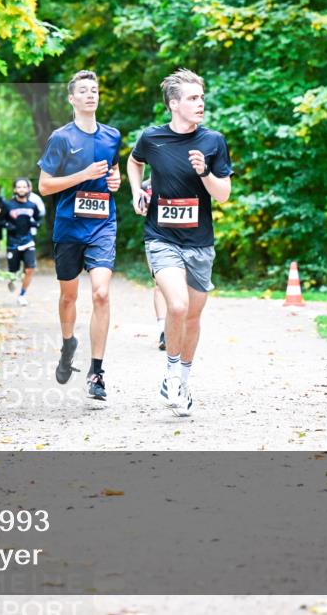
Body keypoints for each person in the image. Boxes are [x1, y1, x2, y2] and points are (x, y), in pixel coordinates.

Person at [127, 68, 233, 416]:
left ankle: (183, 379)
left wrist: (205, 172)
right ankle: (171, 374)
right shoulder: (152, 139)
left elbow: (224, 196)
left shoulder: (213, 141)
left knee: (192, 317)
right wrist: (136, 193)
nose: (200, 103)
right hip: (161, 237)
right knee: (177, 306)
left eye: (201, 97)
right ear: (174, 104)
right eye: (192, 98)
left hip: (200, 242)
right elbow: (133, 161)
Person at [37, 70, 122, 401]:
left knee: (101, 294)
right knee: (69, 297)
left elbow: (113, 171)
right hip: (69, 226)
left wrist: (115, 182)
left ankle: (97, 372)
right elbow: (45, 185)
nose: (91, 94)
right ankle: (68, 343)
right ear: (72, 99)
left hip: (103, 224)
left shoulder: (112, 135)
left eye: (95, 90)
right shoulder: (61, 138)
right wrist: (82, 175)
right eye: (84, 91)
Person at [2, 178, 41, 306]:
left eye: (24, 187)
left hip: (28, 241)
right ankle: (11, 279)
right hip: (13, 242)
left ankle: (22, 295)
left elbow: (37, 219)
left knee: (30, 269)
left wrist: (35, 224)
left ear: (29, 189)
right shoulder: (8, 205)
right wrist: (9, 226)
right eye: (19, 187)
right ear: (15, 189)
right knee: (13, 271)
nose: (22, 189)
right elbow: (0, 220)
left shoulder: (32, 206)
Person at [142, 178, 168, 350]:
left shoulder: (185, 175)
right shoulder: (145, 185)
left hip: (187, 239)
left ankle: (179, 327)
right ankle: (163, 332)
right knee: (159, 284)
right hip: (157, 238)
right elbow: (141, 210)